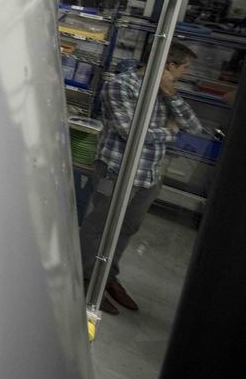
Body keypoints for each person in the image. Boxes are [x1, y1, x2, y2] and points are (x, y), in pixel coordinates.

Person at [79, 41, 204, 314]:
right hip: (117, 169)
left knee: (128, 227)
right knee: (99, 224)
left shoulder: (167, 92)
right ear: (169, 65)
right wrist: (169, 133)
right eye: (183, 68)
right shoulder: (120, 86)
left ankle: (108, 275)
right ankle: (85, 276)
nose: (184, 74)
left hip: (149, 175)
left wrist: (171, 94)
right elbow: (129, 131)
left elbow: (193, 127)